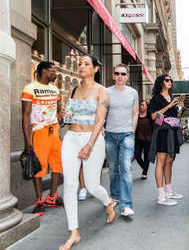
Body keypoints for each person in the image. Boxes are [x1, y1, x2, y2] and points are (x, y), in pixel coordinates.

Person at [58, 55, 115, 250]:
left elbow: (100, 121)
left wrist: (89, 145)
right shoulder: (73, 89)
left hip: (93, 140)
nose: (81, 66)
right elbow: (67, 116)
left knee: (91, 186)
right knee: (70, 186)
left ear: (96, 69)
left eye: (86, 64)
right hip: (71, 138)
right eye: (80, 63)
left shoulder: (102, 91)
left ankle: (108, 203)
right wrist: (64, 115)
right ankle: (74, 232)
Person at [21, 61, 64, 216]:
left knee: (58, 164)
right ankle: (39, 200)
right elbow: (25, 116)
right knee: (39, 167)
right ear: (44, 71)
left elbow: (58, 111)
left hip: (54, 131)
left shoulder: (55, 89)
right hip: (38, 131)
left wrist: (62, 116)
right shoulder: (29, 89)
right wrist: (27, 141)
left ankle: (52, 196)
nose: (55, 73)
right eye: (53, 71)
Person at [105, 63, 139, 216]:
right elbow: (102, 112)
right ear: (113, 75)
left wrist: (132, 130)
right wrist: (101, 129)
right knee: (113, 169)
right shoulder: (106, 92)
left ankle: (126, 205)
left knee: (125, 168)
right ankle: (115, 197)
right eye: (117, 73)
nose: (120, 76)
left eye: (123, 74)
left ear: (127, 77)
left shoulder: (133, 93)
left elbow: (135, 113)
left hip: (126, 135)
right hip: (110, 135)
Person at [148, 74, 184, 206]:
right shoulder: (156, 99)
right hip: (162, 132)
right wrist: (168, 106)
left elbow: (177, 116)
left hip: (173, 131)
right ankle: (161, 196)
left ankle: (168, 190)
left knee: (170, 161)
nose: (170, 82)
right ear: (161, 82)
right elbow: (153, 117)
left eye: (171, 80)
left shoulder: (173, 97)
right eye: (167, 80)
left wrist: (179, 109)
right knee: (161, 162)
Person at [135, 100, 153, 180]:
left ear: (147, 107)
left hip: (148, 140)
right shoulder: (136, 116)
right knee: (137, 155)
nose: (140, 106)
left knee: (147, 157)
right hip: (138, 139)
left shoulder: (150, 116)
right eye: (140, 105)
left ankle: (144, 173)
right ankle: (145, 168)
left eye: (142, 105)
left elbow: (158, 123)